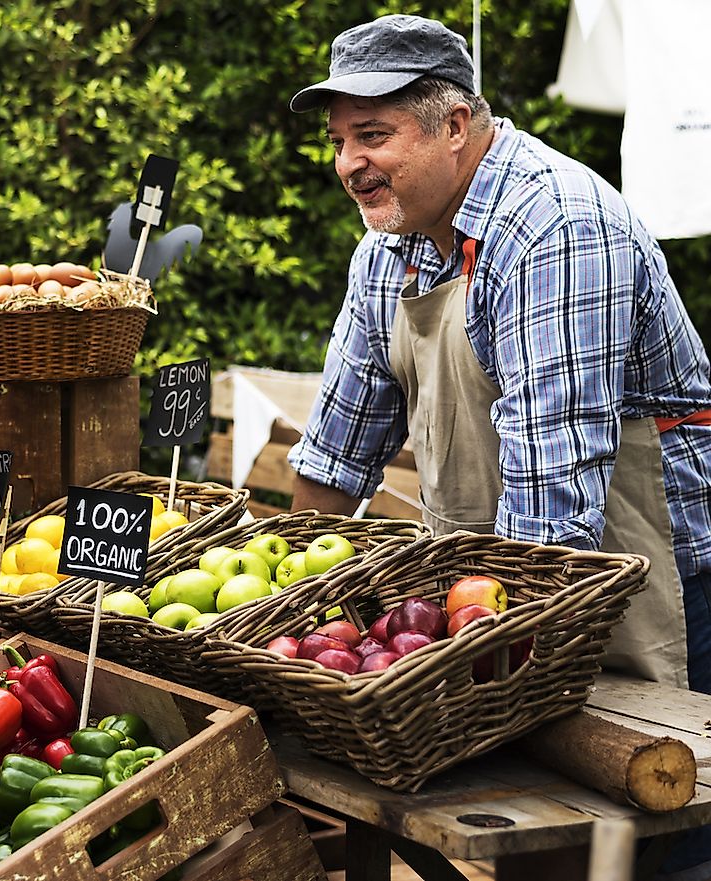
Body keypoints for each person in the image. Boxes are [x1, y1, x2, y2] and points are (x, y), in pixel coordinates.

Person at [286, 14, 711, 879]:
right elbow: (335, 451)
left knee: (655, 840)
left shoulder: (553, 224)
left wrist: (466, 654)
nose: (348, 164)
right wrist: (293, 619)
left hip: (645, 583)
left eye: (374, 135)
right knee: (533, 849)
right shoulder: (393, 244)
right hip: (500, 597)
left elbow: (556, 510)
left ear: (454, 124)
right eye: (338, 141)